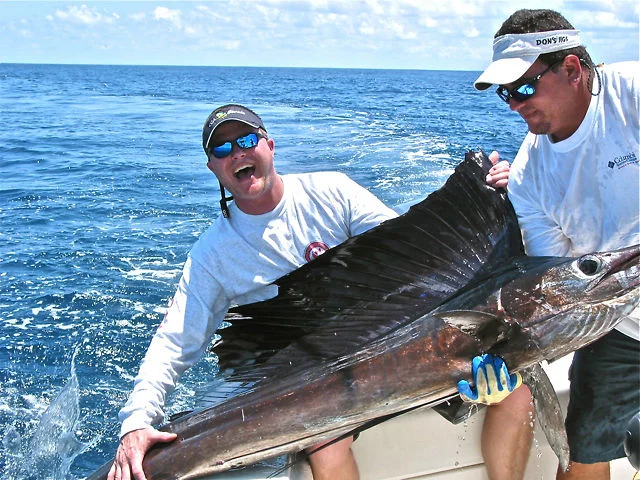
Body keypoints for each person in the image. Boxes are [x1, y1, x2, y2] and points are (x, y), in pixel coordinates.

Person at [106, 103, 514, 480]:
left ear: (269, 145)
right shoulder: (213, 255)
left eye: (247, 141)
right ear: (213, 167)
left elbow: (418, 258)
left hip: (393, 353)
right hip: (305, 385)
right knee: (324, 443)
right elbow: (176, 340)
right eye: (223, 149)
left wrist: (506, 190)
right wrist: (138, 421)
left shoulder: (332, 191)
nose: (238, 153)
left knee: (514, 394)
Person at [473, 8, 639, 480]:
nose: (514, 105)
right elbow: (559, 280)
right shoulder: (528, 176)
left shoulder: (633, 93)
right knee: (583, 451)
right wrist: (509, 350)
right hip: (621, 326)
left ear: (571, 69)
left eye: (524, 88)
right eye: (505, 93)